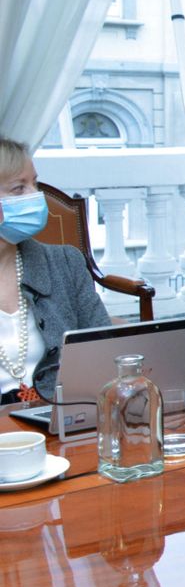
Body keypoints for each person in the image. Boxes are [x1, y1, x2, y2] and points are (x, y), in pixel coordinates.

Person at [0, 137, 113, 403]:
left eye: (34, 183)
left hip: (61, 413)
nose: (36, 197)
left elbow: (103, 347)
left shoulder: (65, 262)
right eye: (19, 188)